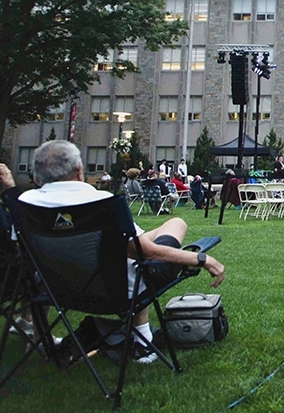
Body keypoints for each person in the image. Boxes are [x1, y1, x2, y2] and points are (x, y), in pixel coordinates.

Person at [2, 141, 224, 363]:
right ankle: (142, 340)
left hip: (54, 289)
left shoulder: (25, 205)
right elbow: (145, 254)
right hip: (115, 292)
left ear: (37, 176)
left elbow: (25, 253)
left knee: (143, 239)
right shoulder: (99, 202)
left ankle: (43, 342)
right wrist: (199, 258)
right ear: (79, 170)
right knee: (174, 227)